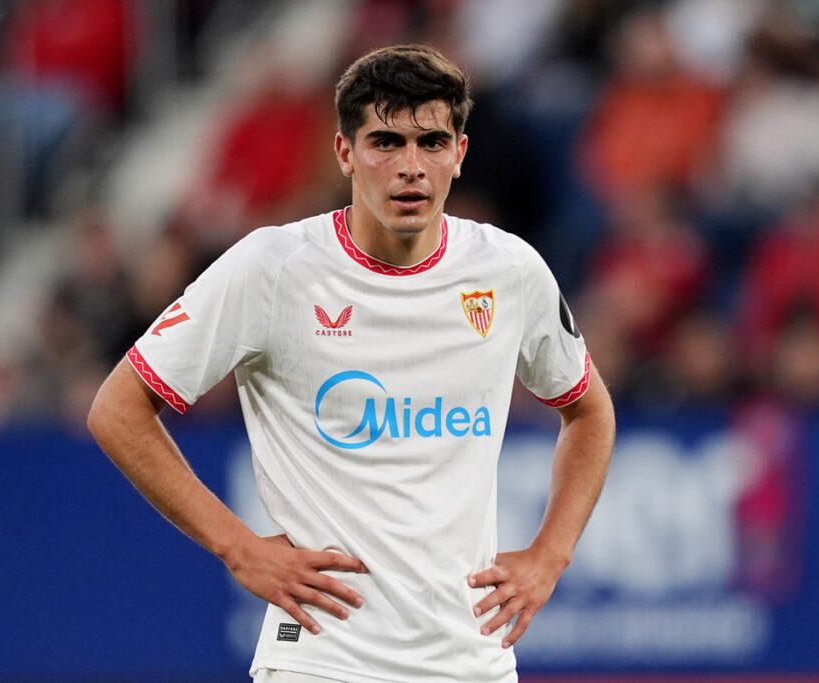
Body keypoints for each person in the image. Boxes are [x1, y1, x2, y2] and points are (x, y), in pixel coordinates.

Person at [87, 44, 615, 683]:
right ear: (344, 153)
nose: (410, 167)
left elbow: (588, 410)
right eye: (385, 142)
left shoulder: (509, 270)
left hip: (472, 661)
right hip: (324, 659)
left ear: (460, 154)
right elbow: (118, 408)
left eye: (431, 142)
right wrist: (238, 547)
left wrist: (549, 557)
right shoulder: (274, 267)